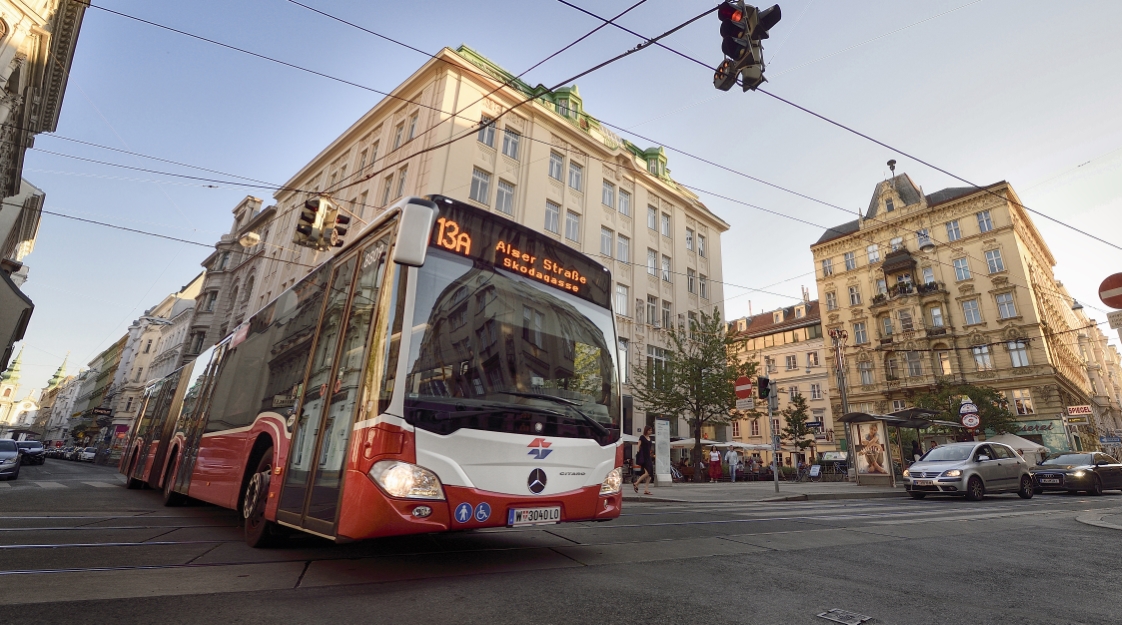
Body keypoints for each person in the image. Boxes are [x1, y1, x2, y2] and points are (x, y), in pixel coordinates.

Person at [631, 426, 654, 495]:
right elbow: (638, 445)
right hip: (644, 457)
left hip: (648, 457)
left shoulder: (650, 438)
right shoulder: (642, 437)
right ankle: (636, 483)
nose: (650, 431)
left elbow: (649, 448)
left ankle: (646, 489)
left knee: (650, 474)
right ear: (646, 430)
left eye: (651, 430)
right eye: (649, 430)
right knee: (647, 473)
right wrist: (638, 453)